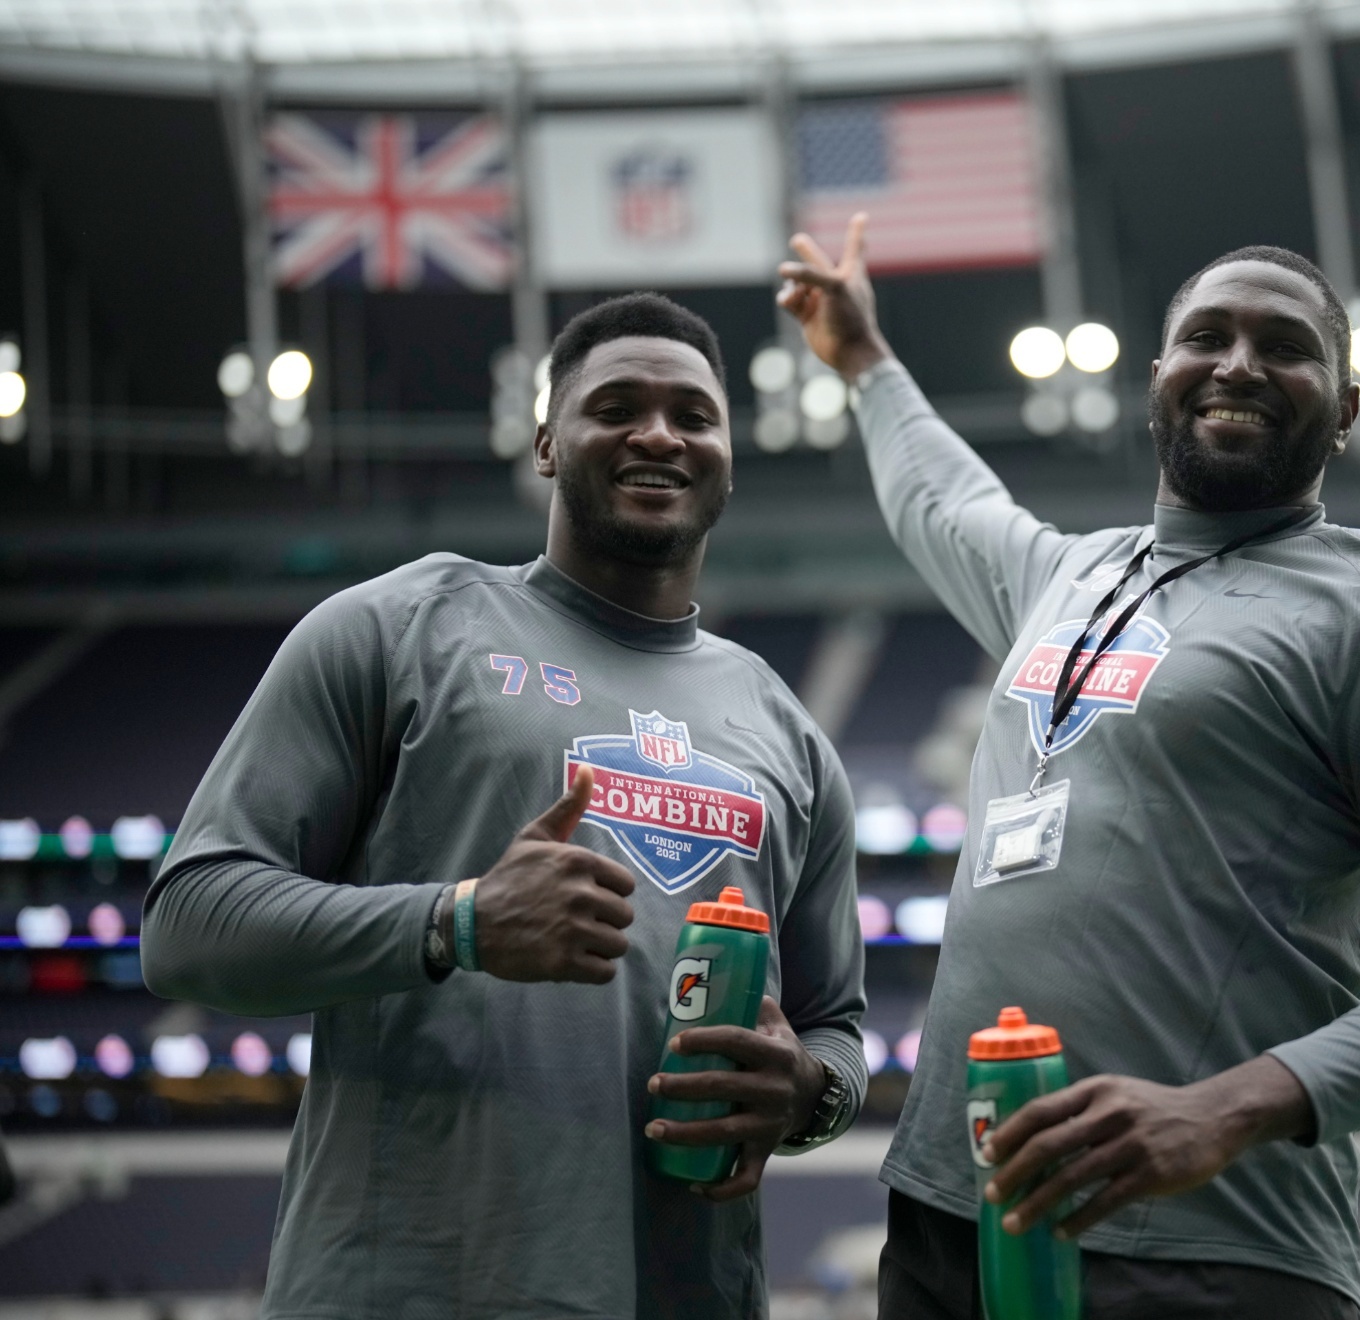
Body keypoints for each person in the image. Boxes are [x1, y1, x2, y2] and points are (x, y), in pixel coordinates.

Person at [778, 217, 1360, 1319]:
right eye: (1208, 335)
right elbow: (949, 504)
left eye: (1285, 345)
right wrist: (865, 361)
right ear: (1160, 379)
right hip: (946, 1222)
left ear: (1342, 410)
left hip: (1209, 1255)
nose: (1239, 362)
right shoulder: (1069, 576)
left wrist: (1227, 1111)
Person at [142, 293, 867, 1319]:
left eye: (694, 416)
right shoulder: (395, 630)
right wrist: (458, 921)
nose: (659, 433)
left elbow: (834, 1028)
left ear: (726, 461)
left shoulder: (786, 732)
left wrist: (808, 1097)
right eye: (615, 405)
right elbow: (186, 925)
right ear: (545, 443)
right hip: (414, 1289)